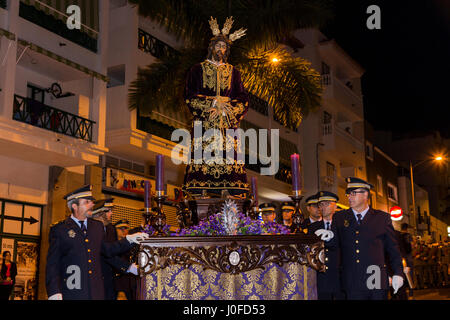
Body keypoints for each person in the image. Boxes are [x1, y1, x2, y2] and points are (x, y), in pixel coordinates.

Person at [182, 17, 249, 198]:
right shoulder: (197, 69)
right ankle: (202, 186)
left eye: (224, 47)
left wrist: (229, 109)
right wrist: (212, 103)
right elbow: (189, 96)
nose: (221, 50)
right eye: (218, 46)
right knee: (204, 152)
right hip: (205, 123)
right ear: (211, 47)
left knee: (228, 153)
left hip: (227, 123)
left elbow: (243, 98)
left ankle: (230, 186)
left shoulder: (234, 72)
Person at [45, 185, 149, 300]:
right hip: (72, 290)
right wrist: (54, 291)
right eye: (87, 202)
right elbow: (52, 264)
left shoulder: (97, 227)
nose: (92, 204)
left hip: (96, 291)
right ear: (74, 206)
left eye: (91, 202)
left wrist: (129, 240)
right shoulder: (60, 229)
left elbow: (107, 250)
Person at [315, 177, 404, 300]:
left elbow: (393, 249)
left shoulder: (381, 218)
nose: (349, 197)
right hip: (352, 279)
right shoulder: (340, 217)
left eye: (353, 193)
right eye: (348, 194)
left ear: (365, 194)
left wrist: (398, 273)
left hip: (375, 276)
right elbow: (335, 246)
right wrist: (329, 238)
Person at [91, 198, 134, 300]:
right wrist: (128, 267)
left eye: (112, 210)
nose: (111, 213)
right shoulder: (91, 229)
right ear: (99, 213)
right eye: (108, 211)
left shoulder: (110, 228)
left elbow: (114, 252)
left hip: (110, 280)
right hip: (97, 278)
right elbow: (107, 252)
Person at [308, 191, 344, 300]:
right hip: (321, 277)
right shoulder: (313, 228)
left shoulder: (342, 225)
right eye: (321, 204)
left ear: (335, 206)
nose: (323, 207)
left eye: (327, 203)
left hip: (340, 276)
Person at [113, 219, 138, 300]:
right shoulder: (112, 246)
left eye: (126, 228)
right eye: (121, 229)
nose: (124, 231)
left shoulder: (132, 245)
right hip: (117, 285)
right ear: (115, 230)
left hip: (131, 284)